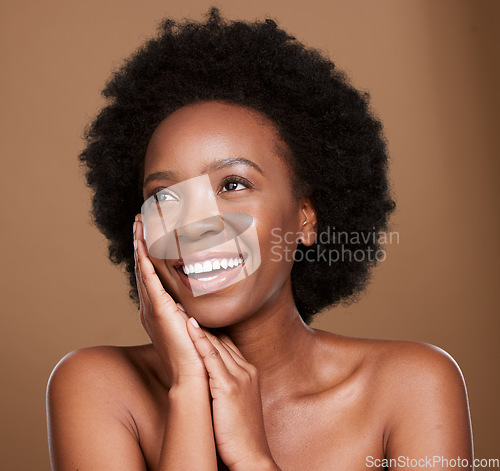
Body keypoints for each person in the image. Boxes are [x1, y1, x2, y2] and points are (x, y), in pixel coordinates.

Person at [46, 7, 473, 470]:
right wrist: (190, 388)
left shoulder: (411, 386)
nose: (194, 225)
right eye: (165, 197)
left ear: (306, 217)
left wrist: (252, 456)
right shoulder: (95, 384)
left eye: (232, 184)